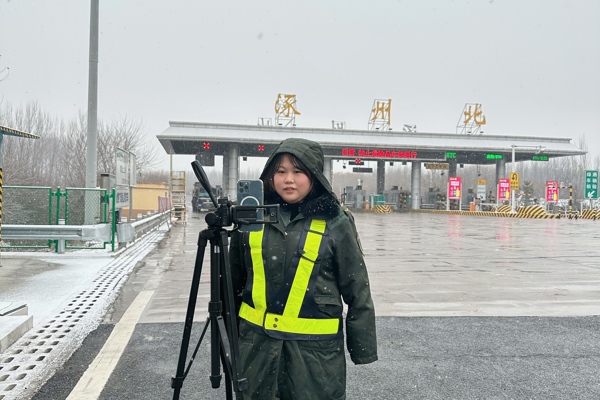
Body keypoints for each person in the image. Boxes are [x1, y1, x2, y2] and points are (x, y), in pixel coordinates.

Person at [230, 138, 378, 400]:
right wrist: (227, 338)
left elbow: (357, 289)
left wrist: (362, 347)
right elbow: (233, 281)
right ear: (270, 175)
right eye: (281, 171)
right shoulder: (252, 216)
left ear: (314, 176)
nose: (289, 179)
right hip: (256, 351)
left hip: (314, 358)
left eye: (298, 171)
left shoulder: (336, 221)